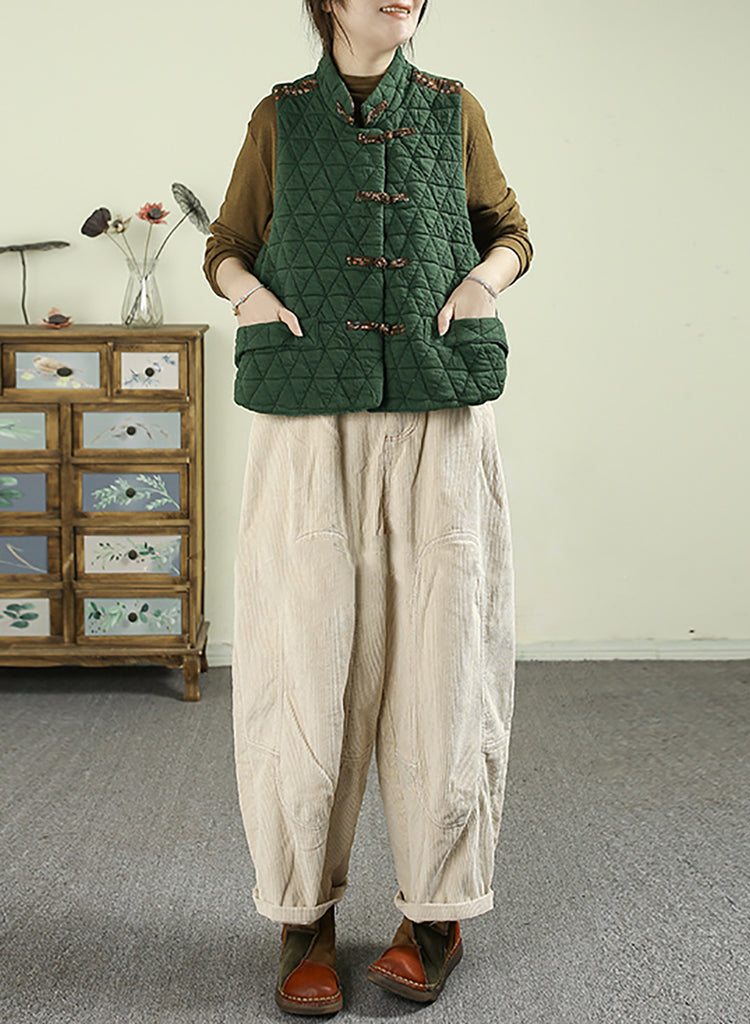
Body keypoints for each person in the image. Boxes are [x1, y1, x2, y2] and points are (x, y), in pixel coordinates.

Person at [202, 0, 533, 1015]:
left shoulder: (453, 108)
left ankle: (437, 915)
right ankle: (302, 916)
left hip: (438, 405)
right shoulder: (278, 115)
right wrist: (248, 294)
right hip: (309, 416)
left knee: (446, 661)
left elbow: (511, 232)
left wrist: (482, 284)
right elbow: (227, 243)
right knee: (303, 658)